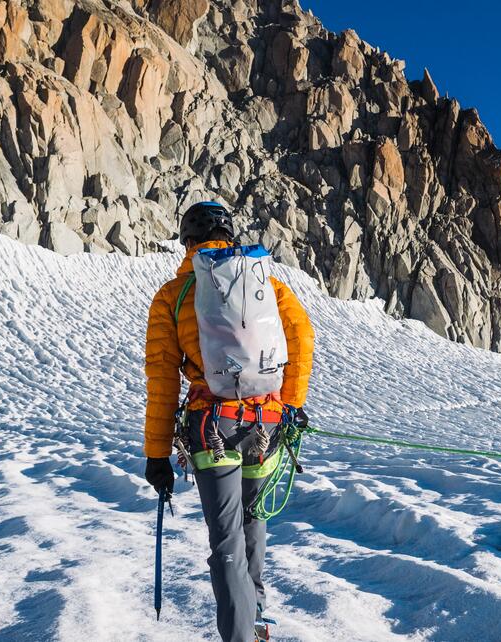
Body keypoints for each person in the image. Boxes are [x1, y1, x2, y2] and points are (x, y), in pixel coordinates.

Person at [142, 201, 314, 642]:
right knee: (253, 523)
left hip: (211, 429)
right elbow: (302, 337)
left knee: (226, 541)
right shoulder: (267, 285)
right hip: (267, 425)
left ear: (188, 242)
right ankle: (254, 618)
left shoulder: (174, 294)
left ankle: (239, 636)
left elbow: (162, 377)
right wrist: (290, 405)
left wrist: (157, 454)